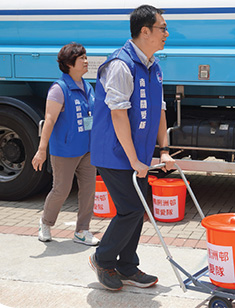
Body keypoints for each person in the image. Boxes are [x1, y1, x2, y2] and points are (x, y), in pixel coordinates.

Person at [88, 5, 174, 291]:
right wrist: (134, 159)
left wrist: (163, 150)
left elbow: (160, 109)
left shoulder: (154, 67)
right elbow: (117, 113)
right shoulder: (120, 65)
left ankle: (126, 266)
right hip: (114, 153)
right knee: (130, 209)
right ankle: (102, 258)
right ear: (145, 30)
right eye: (162, 27)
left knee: (137, 209)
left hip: (138, 156)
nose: (166, 33)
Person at [32, 42, 100, 246]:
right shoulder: (59, 89)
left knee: (89, 190)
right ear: (70, 63)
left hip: (87, 149)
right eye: (82, 59)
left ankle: (82, 230)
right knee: (61, 190)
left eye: (86, 57)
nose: (87, 61)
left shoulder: (87, 86)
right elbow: (49, 120)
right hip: (65, 150)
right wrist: (41, 150)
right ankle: (45, 222)